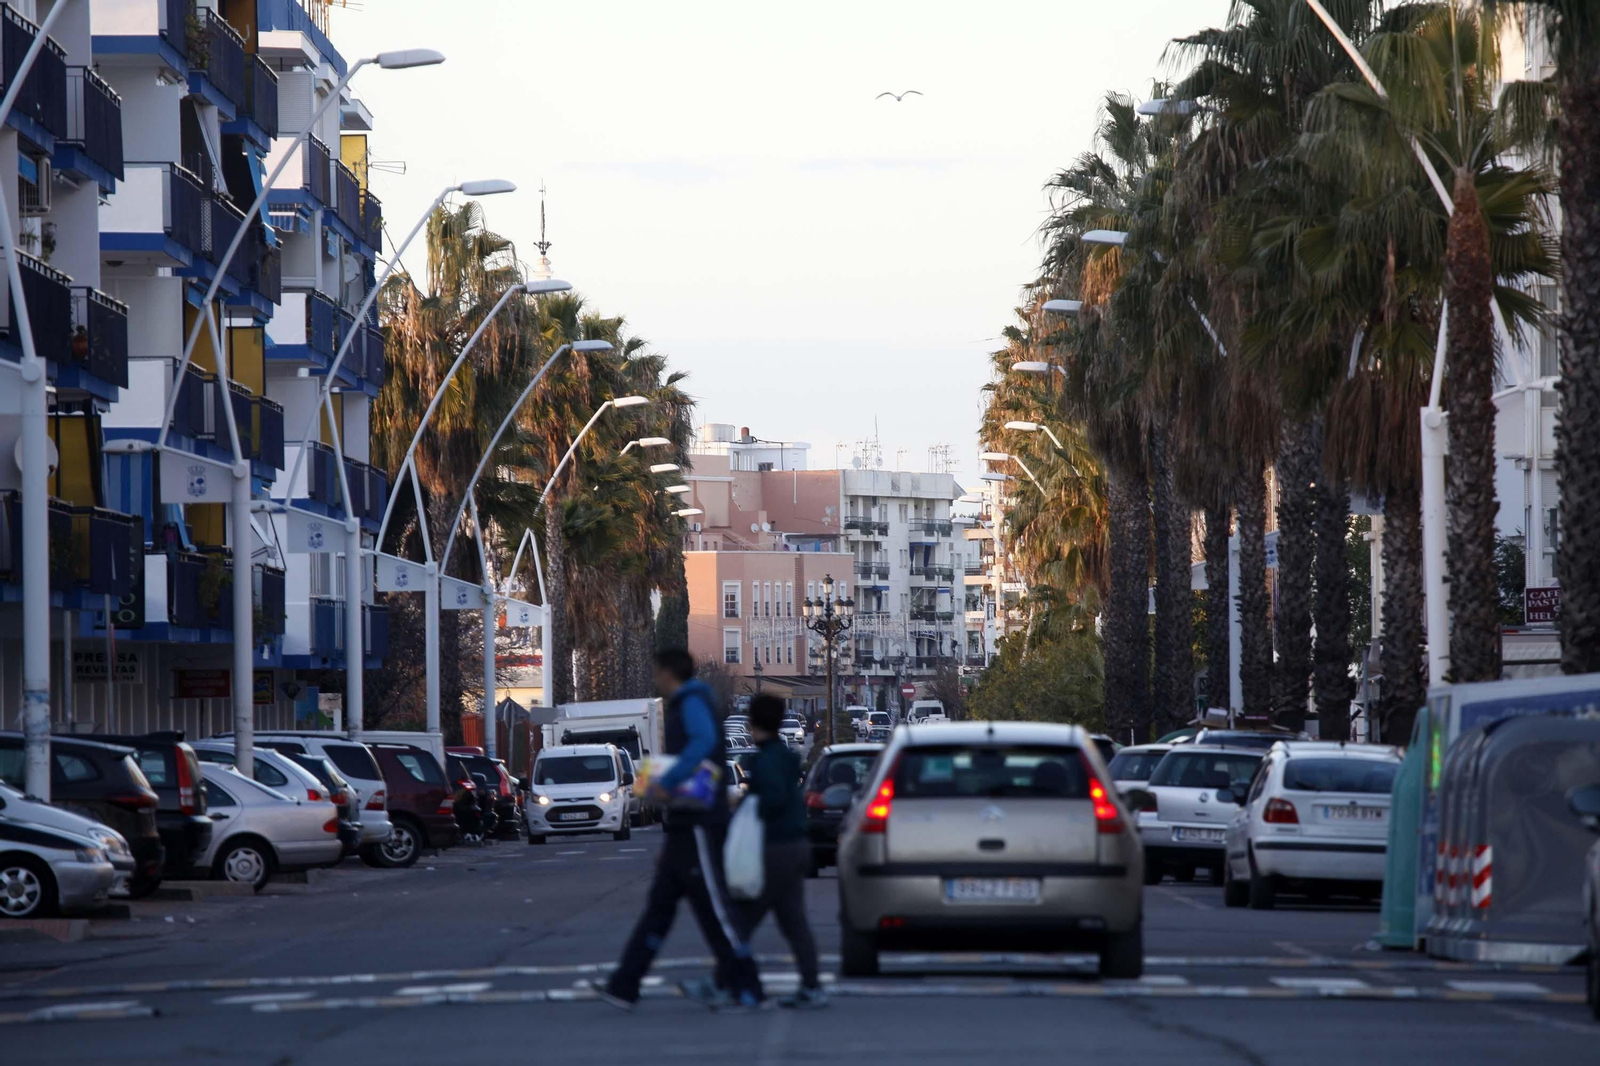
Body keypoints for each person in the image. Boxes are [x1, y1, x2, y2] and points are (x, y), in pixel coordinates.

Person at [586, 649, 762, 1011]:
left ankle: (748, 985)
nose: (655, 679)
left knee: (716, 908)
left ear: (668, 673)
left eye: (657, 672)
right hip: (684, 824)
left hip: (699, 821)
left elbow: (702, 741)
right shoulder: (689, 700)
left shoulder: (692, 701)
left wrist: (671, 778)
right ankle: (625, 984)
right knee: (660, 908)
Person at [727, 694, 827, 1007]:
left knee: (743, 919)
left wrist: (742, 803)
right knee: (793, 921)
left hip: (776, 848)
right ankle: (811, 985)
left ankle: (725, 982)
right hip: (797, 845)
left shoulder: (766, 761)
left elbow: (769, 802)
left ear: (753, 724)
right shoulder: (784, 757)